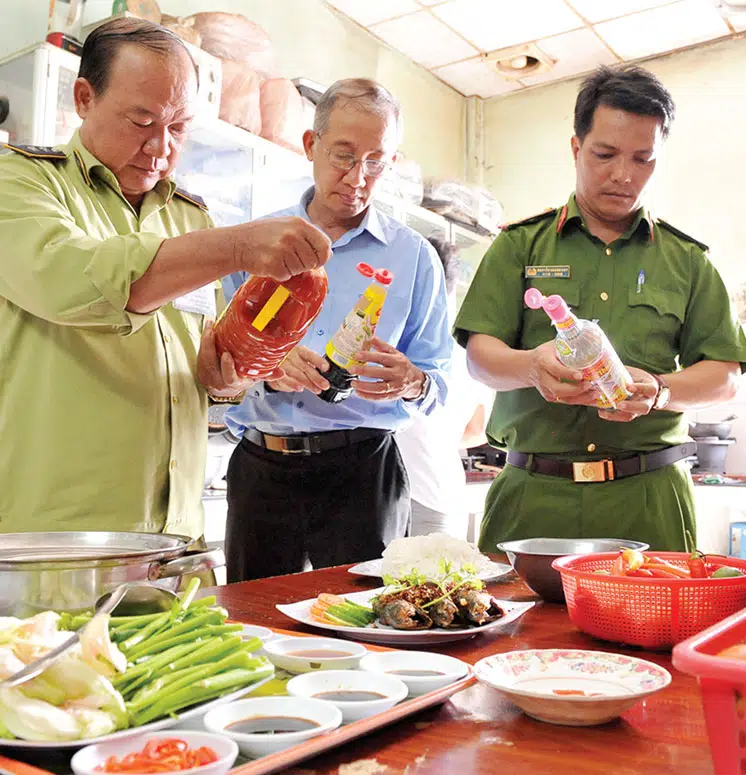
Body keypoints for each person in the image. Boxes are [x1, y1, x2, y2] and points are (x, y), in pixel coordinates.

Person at [0, 18, 331, 540]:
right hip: (57, 532)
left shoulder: (188, 218)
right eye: (141, 120)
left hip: (175, 532)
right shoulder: (20, 183)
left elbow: (202, 354)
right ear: (84, 98)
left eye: (178, 127)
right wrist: (240, 245)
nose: (160, 148)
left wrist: (236, 372)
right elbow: (74, 281)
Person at [454, 66, 746, 553]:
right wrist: (532, 367)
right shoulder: (520, 246)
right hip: (533, 497)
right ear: (576, 148)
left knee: (654, 629)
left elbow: (725, 375)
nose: (623, 175)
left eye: (643, 159)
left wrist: (658, 391)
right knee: (509, 627)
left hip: (648, 499)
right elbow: (480, 355)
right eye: (605, 154)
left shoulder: (687, 260)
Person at [222, 79, 452, 582]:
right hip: (263, 466)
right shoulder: (256, 241)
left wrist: (412, 379)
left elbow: (440, 381)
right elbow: (218, 366)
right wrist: (267, 364)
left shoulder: (413, 257)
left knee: (367, 626)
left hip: (365, 471)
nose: (358, 177)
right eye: (344, 156)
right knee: (253, 623)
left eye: (376, 161)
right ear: (311, 145)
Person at [396, 236, 493, 541]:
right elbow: (477, 430)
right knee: (438, 584)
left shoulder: (399, 341)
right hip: (445, 490)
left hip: (407, 491)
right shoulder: (470, 351)